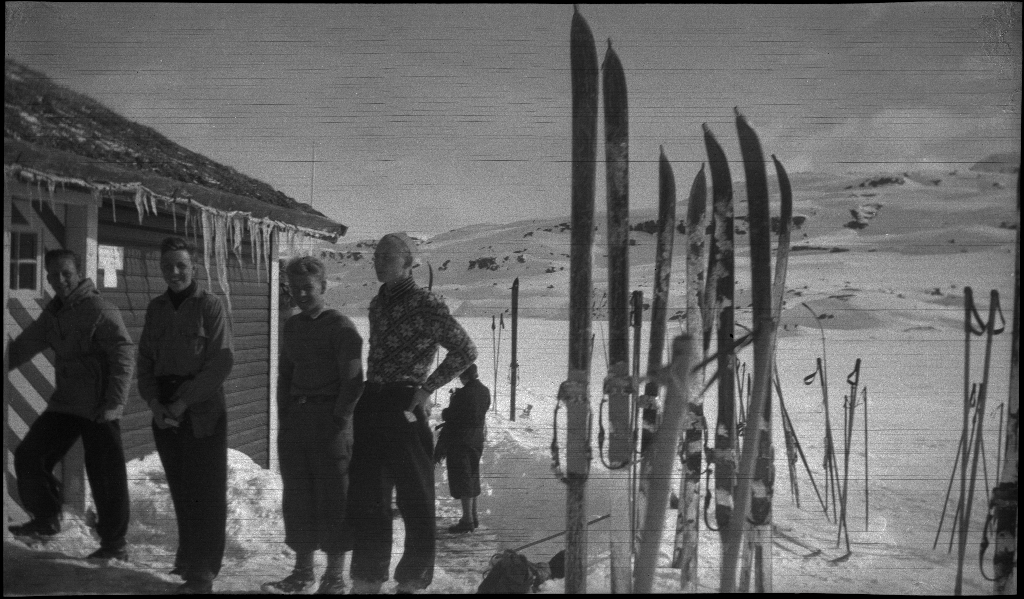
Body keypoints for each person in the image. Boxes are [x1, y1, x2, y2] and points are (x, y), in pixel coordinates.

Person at [347, 233, 478, 594]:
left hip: (405, 404)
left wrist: (426, 388)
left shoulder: (426, 303)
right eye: (376, 255)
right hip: (372, 403)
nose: (378, 261)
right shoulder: (377, 304)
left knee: (416, 498)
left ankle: (411, 582)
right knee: (370, 498)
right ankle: (367, 580)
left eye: (387, 256)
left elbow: (465, 350)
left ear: (408, 263)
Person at [7, 249, 134, 560]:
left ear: (79, 273)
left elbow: (124, 355)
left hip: (98, 407)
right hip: (65, 403)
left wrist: (114, 404)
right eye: (53, 275)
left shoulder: (99, 309)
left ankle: (114, 545)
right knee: (29, 455)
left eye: (66, 273)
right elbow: (26, 345)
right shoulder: (54, 314)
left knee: (105, 475)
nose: (59, 280)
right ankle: (47, 518)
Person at [262, 256, 364, 595]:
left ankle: (334, 577)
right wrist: (286, 418)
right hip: (297, 421)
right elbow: (285, 375)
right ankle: (302, 572)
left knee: (335, 496)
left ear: (322, 287)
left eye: (308, 288)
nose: (302, 294)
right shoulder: (292, 326)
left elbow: (353, 381)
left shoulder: (341, 327)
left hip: (330, 422)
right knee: (299, 497)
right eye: (295, 289)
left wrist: (338, 420)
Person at [137, 236, 233, 595]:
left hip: (203, 408)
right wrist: (154, 403)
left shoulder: (210, 306)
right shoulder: (156, 308)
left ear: (194, 268)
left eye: (181, 265)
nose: (174, 272)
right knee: (181, 488)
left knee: (206, 491)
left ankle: (203, 573)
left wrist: (184, 402)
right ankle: (190, 556)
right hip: (165, 408)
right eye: (167, 266)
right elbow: (145, 361)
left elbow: (221, 362)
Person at [437, 363, 490, 533]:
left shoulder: (463, 394)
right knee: (472, 475)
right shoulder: (485, 391)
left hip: (461, 440)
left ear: (464, 375)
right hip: (476, 439)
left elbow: (452, 416)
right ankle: (473, 517)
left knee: (463, 478)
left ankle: (467, 520)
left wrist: (446, 411)